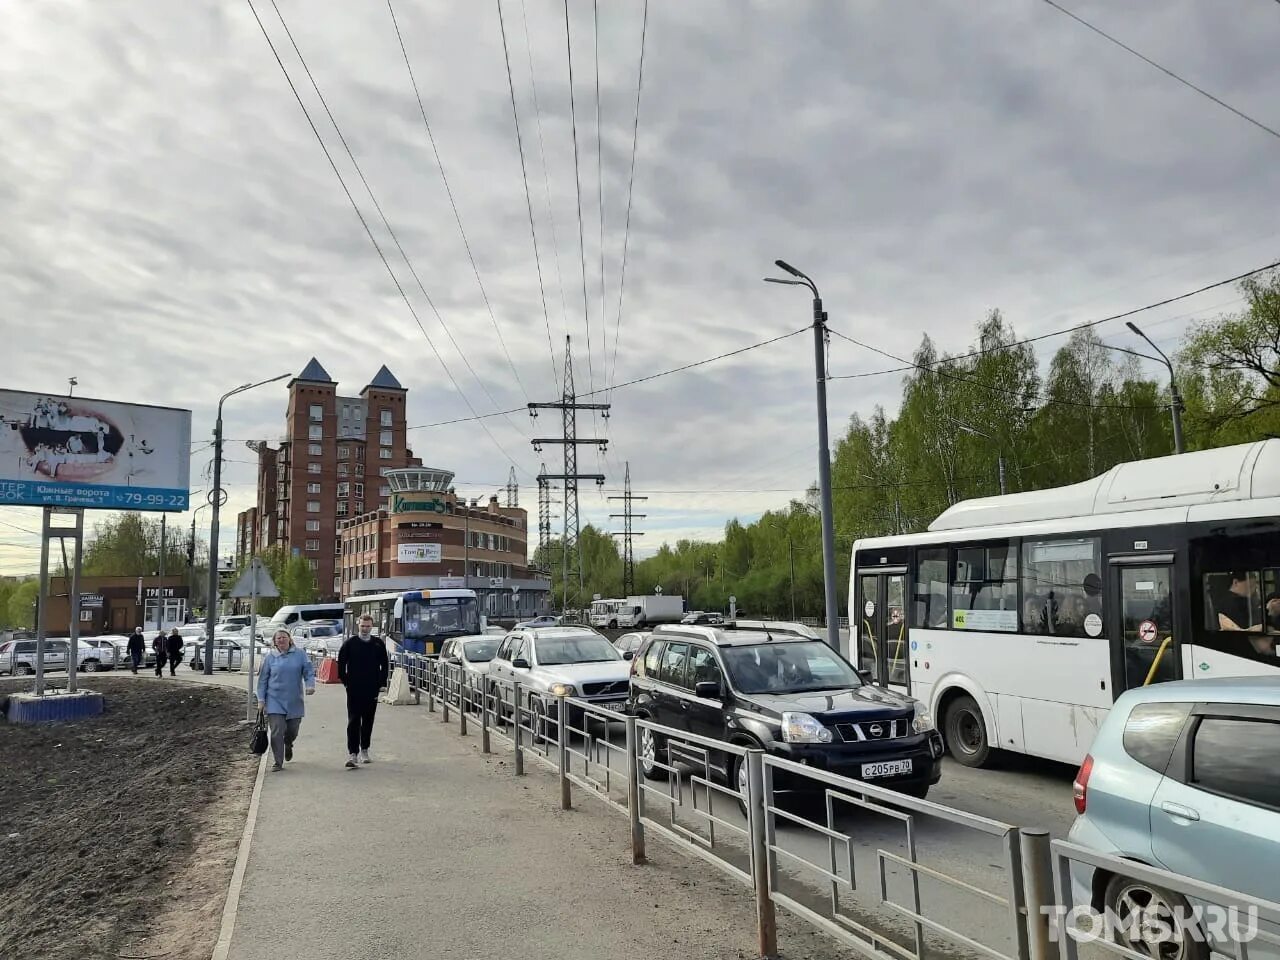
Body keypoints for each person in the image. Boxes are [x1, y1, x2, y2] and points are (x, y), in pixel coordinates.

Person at [256, 629, 317, 772]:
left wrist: (310, 685)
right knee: (277, 731)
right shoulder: (270, 657)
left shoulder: (299, 654)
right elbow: (263, 680)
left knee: (293, 730)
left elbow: (308, 671)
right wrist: (261, 699)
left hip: (294, 700)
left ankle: (288, 743)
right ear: (274, 642)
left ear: (290, 639)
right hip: (274, 700)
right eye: (278, 639)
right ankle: (278, 762)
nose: (281, 640)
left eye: (284, 637)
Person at [337, 614, 389, 769]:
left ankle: (364, 749)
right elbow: (341, 666)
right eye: (362, 626)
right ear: (357, 626)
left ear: (372, 627)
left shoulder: (378, 644)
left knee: (368, 720)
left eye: (368, 626)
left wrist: (379, 684)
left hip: (371, 689)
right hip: (354, 689)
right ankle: (353, 753)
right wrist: (347, 683)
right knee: (353, 720)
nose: (365, 629)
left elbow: (384, 666)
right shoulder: (350, 644)